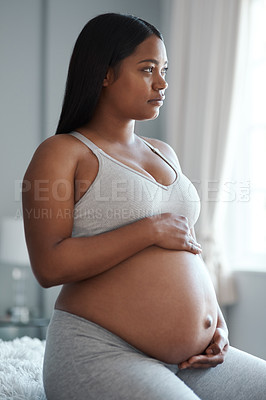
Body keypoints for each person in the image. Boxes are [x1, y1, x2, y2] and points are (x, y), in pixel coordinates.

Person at [22, 12, 266, 400]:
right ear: (105, 74)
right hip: (99, 350)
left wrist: (214, 319)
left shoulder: (164, 152)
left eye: (164, 69)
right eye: (147, 68)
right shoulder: (63, 153)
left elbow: (185, 244)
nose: (163, 82)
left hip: (192, 360)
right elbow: (48, 266)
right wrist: (148, 229)